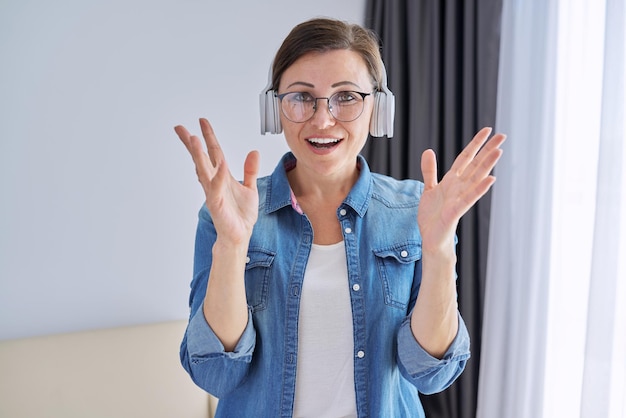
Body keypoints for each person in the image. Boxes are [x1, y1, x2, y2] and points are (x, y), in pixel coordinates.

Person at [175, 17, 505, 418]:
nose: (322, 120)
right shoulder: (229, 211)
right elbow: (215, 375)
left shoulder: (416, 211)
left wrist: (437, 249)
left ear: (377, 108)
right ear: (275, 108)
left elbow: (431, 374)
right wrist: (231, 244)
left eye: (346, 96)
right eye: (301, 97)